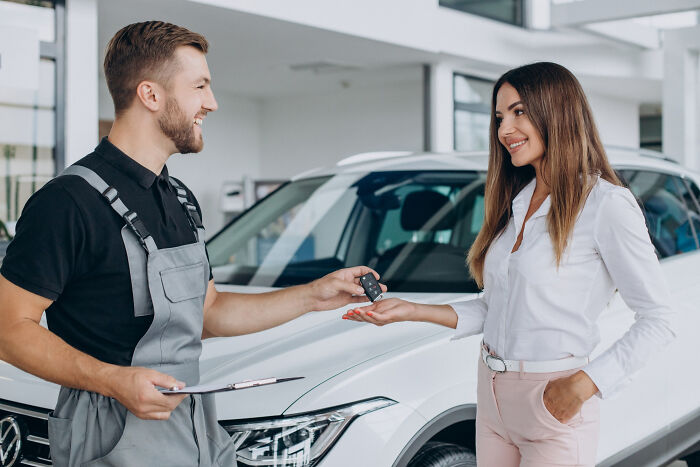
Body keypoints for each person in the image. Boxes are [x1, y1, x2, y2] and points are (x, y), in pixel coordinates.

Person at [0, 21, 385, 467]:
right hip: (108, 430)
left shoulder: (179, 198)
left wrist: (313, 295)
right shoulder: (67, 202)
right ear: (151, 95)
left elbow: (209, 312)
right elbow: (9, 330)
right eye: (200, 85)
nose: (212, 103)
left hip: (193, 422)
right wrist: (114, 381)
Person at [344, 62, 675, 466]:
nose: (504, 130)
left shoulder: (606, 205)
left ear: (558, 111)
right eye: (500, 117)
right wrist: (411, 310)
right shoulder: (517, 201)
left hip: (552, 398)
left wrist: (585, 385)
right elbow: (495, 305)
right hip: (492, 393)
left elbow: (658, 318)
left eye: (519, 112)